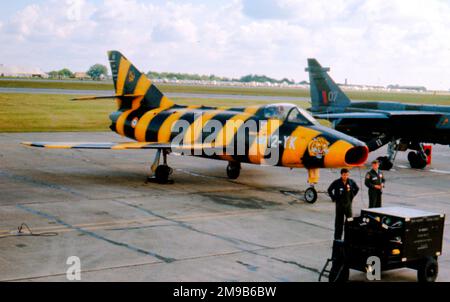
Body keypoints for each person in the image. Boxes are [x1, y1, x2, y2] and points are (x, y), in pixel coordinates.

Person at [328, 168, 359, 240]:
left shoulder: (351, 182)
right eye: (344, 175)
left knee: (350, 222)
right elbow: (329, 190)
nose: (345, 176)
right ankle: (337, 239)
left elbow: (357, 188)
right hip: (339, 205)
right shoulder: (337, 182)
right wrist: (334, 198)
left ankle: (348, 239)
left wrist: (352, 196)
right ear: (341, 175)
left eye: (347, 175)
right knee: (339, 223)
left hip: (348, 205)